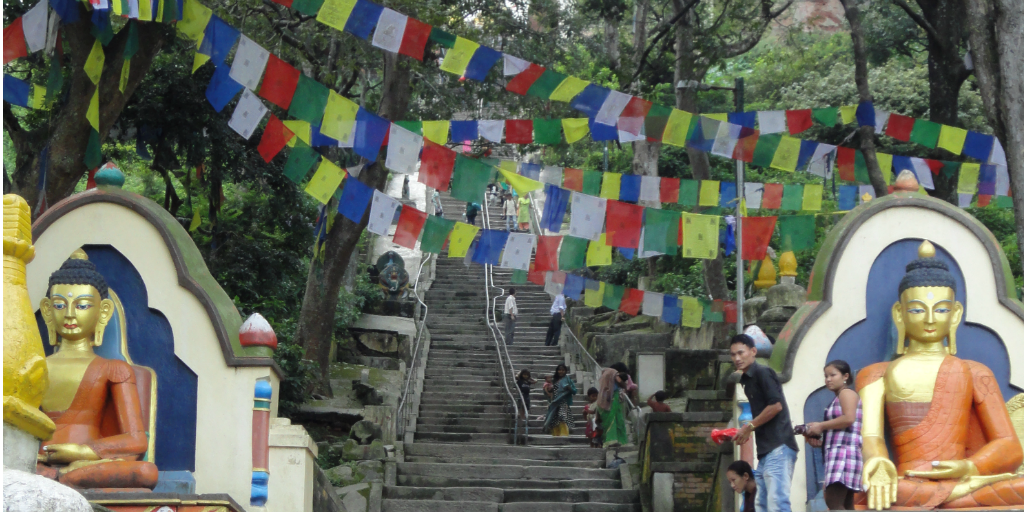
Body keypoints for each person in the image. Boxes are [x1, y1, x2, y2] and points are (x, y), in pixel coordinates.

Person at [731, 334, 799, 512]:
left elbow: (776, 406)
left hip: (779, 446)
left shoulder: (763, 372)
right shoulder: (747, 380)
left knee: (777, 504)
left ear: (753, 351)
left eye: (741, 353)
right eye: (733, 355)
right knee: (761, 506)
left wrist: (749, 427)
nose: (737, 358)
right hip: (765, 452)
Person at [800, 360, 862, 511]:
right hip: (839, 453)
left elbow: (849, 418)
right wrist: (817, 438)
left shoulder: (847, 393)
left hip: (844, 455)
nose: (828, 379)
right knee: (845, 504)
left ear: (845, 376)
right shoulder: (837, 398)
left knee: (833, 502)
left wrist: (821, 425)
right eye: (826, 376)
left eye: (833, 375)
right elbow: (841, 432)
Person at [597, 362, 632, 448]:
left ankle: (609, 440)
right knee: (614, 419)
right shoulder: (614, 373)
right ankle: (613, 439)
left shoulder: (605, 372)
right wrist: (625, 386)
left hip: (602, 398)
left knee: (608, 420)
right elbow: (620, 382)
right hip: (612, 399)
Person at [543, 364, 577, 437]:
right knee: (554, 419)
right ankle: (556, 435)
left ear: (565, 371)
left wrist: (569, 388)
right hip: (555, 403)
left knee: (562, 418)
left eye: (563, 370)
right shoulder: (555, 380)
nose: (561, 371)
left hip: (563, 402)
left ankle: (564, 435)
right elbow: (552, 392)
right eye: (559, 370)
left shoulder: (568, 380)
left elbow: (574, 391)